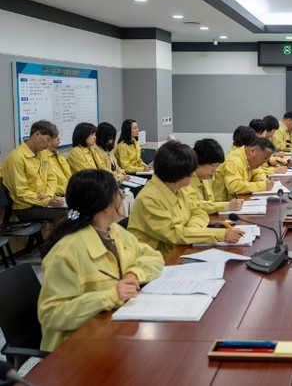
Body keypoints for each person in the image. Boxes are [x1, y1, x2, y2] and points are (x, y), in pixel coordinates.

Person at [37, 169, 163, 352]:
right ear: (105, 205)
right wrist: (109, 297)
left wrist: (133, 274)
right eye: (118, 193)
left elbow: (154, 258)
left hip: (112, 329)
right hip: (75, 348)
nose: (122, 197)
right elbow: (51, 314)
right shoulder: (66, 252)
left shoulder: (115, 232)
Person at [128, 141, 244, 257]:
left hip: (177, 250)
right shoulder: (149, 198)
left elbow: (199, 212)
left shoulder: (178, 189)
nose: (193, 174)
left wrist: (191, 231)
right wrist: (220, 235)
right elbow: (176, 234)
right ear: (179, 173)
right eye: (190, 171)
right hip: (152, 261)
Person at [1, 120, 66, 220]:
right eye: (48, 140)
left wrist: (48, 195)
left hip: (44, 201)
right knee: (68, 215)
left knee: (77, 209)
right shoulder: (17, 158)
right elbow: (21, 192)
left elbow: (52, 178)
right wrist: (46, 201)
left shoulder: (42, 154)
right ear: (37, 134)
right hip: (26, 207)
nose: (49, 145)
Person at [183, 138, 243, 214]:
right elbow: (194, 205)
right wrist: (227, 206)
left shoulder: (204, 178)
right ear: (198, 163)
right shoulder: (186, 180)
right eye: (213, 165)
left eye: (217, 166)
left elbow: (210, 203)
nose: (214, 170)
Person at [211, 138, 276, 199]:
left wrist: (262, 180)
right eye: (263, 160)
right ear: (252, 151)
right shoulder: (234, 161)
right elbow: (235, 187)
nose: (262, 164)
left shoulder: (249, 159)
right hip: (223, 204)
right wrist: (262, 186)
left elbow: (258, 172)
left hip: (238, 201)